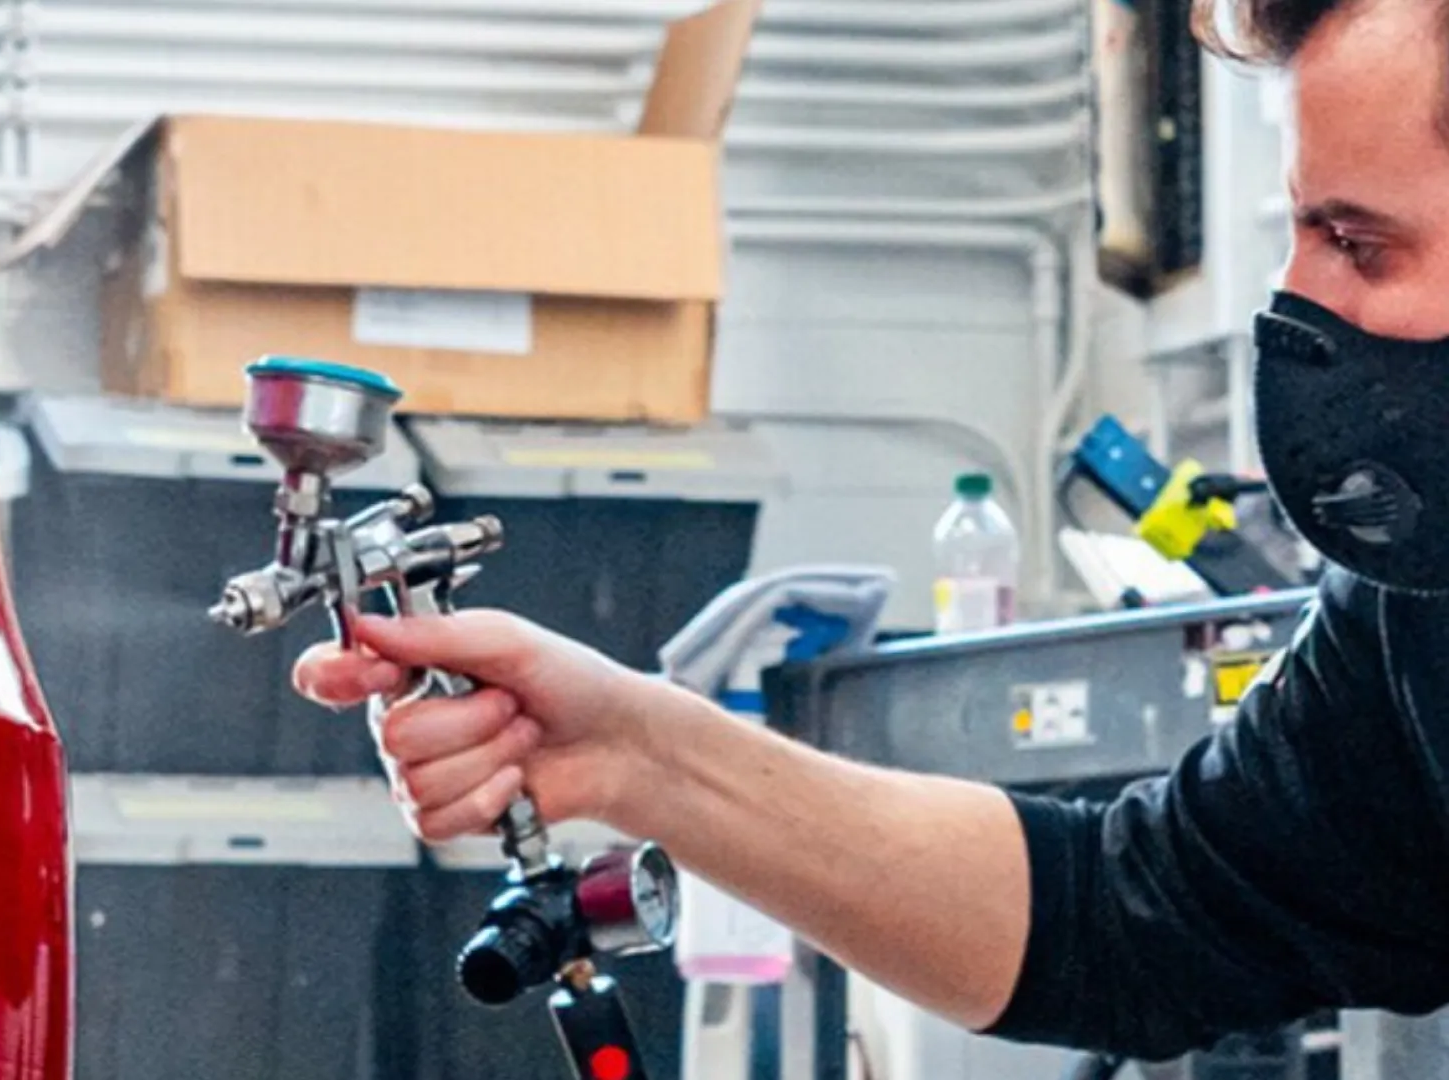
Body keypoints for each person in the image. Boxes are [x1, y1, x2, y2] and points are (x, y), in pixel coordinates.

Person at [295, 0, 1449, 1062]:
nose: (1296, 306)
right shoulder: (1413, 619)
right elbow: (1130, 912)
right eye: (1299, 238)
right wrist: (640, 754)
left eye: (1361, 246)